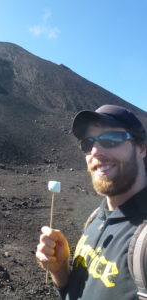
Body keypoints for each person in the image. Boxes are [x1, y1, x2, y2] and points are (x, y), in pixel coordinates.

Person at [36, 104, 147, 299]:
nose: (95, 151)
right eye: (88, 144)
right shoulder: (97, 217)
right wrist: (60, 270)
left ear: (141, 148)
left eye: (111, 139)